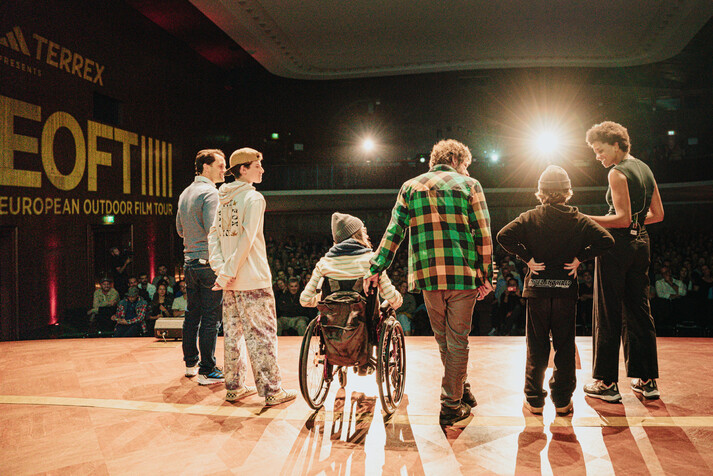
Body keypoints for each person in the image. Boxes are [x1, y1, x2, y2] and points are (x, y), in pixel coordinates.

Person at [365, 139, 493, 426]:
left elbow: (394, 232)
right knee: (458, 340)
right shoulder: (470, 185)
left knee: (444, 339)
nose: (468, 171)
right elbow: (483, 234)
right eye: (467, 165)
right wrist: (486, 276)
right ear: (458, 159)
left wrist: (376, 267)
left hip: (428, 276)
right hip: (463, 275)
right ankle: (450, 404)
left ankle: (461, 387)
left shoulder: (410, 187)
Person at [497, 165, 614, 415]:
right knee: (564, 346)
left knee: (536, 346)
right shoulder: (579, 219)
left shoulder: (530, 217)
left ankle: (535, 400)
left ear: (541, 192)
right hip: (565, 293)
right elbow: (607, 240)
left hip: (537, 292)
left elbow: (503, 236)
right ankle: (562, 401)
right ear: (567, 191)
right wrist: (580, 258)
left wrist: (527, 258)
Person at [583, 121, 665, 402]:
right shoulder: (645, 168)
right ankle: (647, 380)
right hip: (641, 243)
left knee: (607, 312)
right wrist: (635, 227)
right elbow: (658, 214)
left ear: (616, 145)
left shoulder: (617, 173)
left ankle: (606, 384)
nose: (598, 156)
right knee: (639, 310)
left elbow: (620, 219)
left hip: (616, 247)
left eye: (600, 149)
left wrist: (584, 219)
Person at [208, 147, 296, 405]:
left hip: (230, 282)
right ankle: (272, 391)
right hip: (252, 279)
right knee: (263, 335)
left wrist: (221, 269)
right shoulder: (254, 199)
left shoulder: (223, 198)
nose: (262, 169)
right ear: (243, 169)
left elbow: (213, 235)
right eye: (258, 165)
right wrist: (227, 272)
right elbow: (246, 240)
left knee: (233, 335)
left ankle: (234, 387)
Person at [176, 149, 226, 385]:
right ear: (206, 166)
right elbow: (213, 230)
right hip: (208, 264)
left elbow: (179, 229)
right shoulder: (210, 193)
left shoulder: (186, 192)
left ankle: (190, 364)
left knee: (191, 315)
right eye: (220, 165)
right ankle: (208, 370)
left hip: (189, 262)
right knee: (210, 319)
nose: (224, 169)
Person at [300, 212, 402, 319]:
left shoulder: (324, 264)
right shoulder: (372, 261)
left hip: (333, 326)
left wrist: (326, 300)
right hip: (365, 323)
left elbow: (305, 300)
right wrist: (398, 300)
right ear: (360, 234)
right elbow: (390, 296)